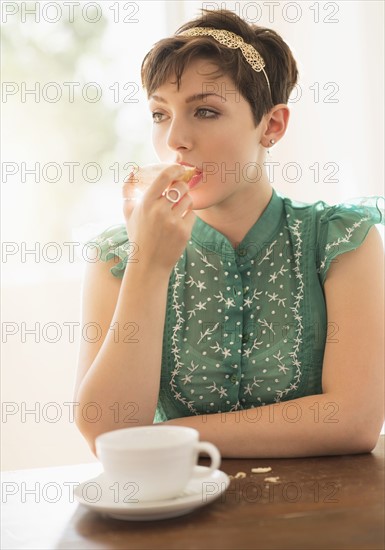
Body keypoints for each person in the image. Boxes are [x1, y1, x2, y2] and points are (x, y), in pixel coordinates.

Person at [74, 9, 384, 458]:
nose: (175, 139)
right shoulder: (118, 255)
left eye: (205, 111)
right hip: (170, 520)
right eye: (160, 114)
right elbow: (108, 435)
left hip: (324, 519)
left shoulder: (341, 240)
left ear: (272, 125)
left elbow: (354, 421)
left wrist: (162, 438)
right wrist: (147, 265)